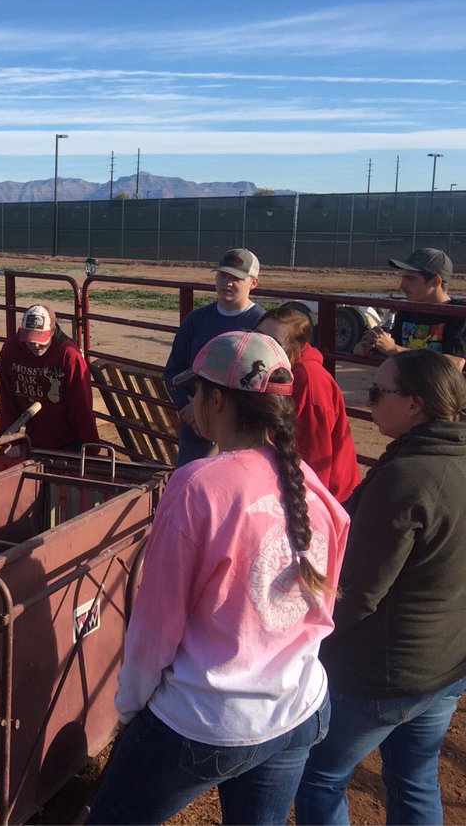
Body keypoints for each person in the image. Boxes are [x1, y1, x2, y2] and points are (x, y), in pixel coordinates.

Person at [87, 331, 349, 825]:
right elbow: (321, 602)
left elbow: (155, 625)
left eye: (195, 392)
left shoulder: (196, 486)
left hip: (207, 719)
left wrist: (129, 706)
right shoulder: (309, 483)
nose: (188, 405)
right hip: (300, 706)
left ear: (218, 398)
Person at [295, 349, 466, 825]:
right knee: (415, 777)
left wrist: (307, 640)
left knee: (319, 774)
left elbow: (357, 593)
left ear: (414, 404)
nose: (367, 401)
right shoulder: (446, 458)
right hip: (447, 664)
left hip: (387, 674)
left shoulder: (406, 478)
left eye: (377, 392)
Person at [163, 249, 267, 465]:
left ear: (253, 283)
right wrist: (190, 409)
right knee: (194, 488)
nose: (227, 283)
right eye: (222, 275)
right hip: (196, 432)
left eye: (236, 278)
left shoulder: (261, 325)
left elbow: (264, 386)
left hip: (242, 437)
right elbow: (173, 372)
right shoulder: (196, 320)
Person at [256, 304, 360, 502]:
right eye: (258, 336)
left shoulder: (309, 381)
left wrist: (304, 506)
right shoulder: (278, 370)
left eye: (274, 342)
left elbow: (315, 457)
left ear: (298, 346)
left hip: (325, 498)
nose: (263, 347)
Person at [0, 304, 99, 451]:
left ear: (52, 332)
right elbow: (7, 399)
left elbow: (81, 403)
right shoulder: (11, 351)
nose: (36, 345)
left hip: (70, 440)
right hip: (33, 438)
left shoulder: (68, 355)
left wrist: (90, 445)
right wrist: (10, 440)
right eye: (30, 340)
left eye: (40, 338)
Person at [354, 247, 466, 370]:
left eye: (410, 278)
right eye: (403, 277)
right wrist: (370, 345)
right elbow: (395, 351)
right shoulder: (407, 309)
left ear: (435, 281)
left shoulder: (459, 313)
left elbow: (456, 363)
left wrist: (393, 348)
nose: (401, 285)